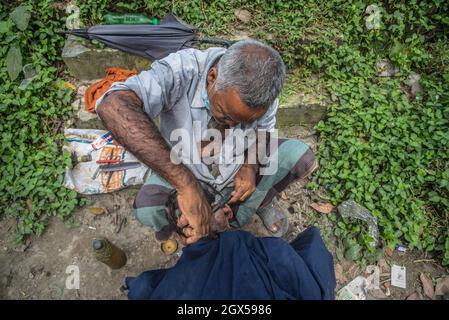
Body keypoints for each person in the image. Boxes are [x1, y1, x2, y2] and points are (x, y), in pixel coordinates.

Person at [96, 39, 318, 244]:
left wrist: (249, 165)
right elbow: (113, 107)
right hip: (182, 166)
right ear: (212, 77)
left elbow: (264, 132)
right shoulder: (181, 70)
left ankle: (261, 203)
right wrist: (186, 185)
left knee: (300, 157)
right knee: (147, 208)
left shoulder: (264, 93)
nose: (232, 126)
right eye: (225, 115)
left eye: (244, 121)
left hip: (235, 163)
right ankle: (184, 228)